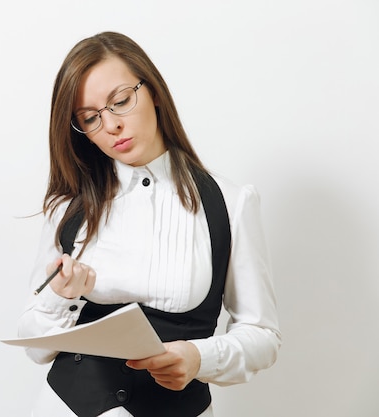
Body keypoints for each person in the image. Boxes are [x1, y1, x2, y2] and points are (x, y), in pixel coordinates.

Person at [17, 31, 281, 417]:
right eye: (90, 118)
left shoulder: (230, 204)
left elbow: (263, 336)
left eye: (121, 101)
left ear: (153, 90)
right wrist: (61, 296)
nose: (111, 125)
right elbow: (34, 347)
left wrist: (198, 357)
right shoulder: (68, 210)